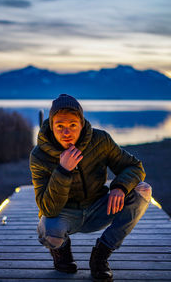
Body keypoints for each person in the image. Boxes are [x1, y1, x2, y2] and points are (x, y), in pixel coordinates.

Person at [30, 94, 152, 281]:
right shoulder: (39, 156)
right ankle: (62, 252)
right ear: (51, 126)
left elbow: (134, 166)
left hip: (99, 208)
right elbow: (48, 209)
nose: (66, 132)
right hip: (64, 214)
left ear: (81, 123)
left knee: (143, 189)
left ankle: (100, 256)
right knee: (46, 229)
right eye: (60, 126)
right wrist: (63, 170)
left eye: (72, 125)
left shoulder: (100, 140)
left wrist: (119, 187)